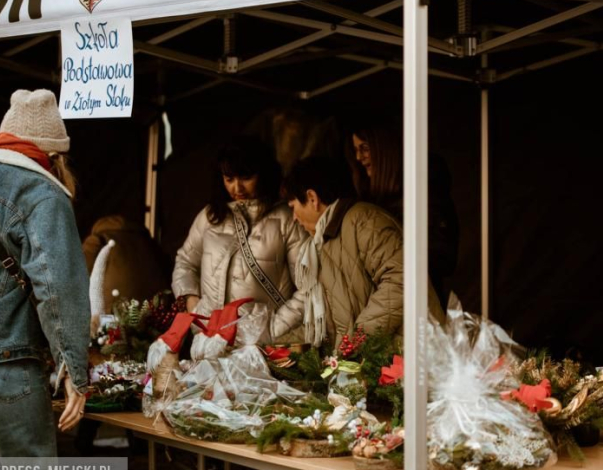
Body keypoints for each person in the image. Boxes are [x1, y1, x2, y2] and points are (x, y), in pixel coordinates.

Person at [0, 90, 90, 470]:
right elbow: (59, 291)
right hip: (6, 371)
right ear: (53, 156)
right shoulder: (42, 194)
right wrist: (74, 372)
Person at [272, 157, 443, 348]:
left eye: (293, 207)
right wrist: (271, 347)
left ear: (312, 198)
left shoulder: (365, 221)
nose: (294, 218)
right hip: (369, 361)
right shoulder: (324, 242)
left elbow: (402, 281)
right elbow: (326, 326)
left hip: (409, 359)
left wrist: (355, 342)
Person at [171, 137, 307, 341]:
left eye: (245, 177)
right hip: (209, 341)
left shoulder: (288, 220)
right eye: (229, 179)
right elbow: (185, 262)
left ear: (264, 174)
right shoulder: (210, 217)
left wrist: (272, 330)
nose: (237, 188)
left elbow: (308, 288)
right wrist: (193, 305)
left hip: (262, 348)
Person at [346, 120, 460, 305]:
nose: (359, 157)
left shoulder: (424, 191)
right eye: (356, 150)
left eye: (365, 148)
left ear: (384, 149)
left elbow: (442, 253)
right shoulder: (371, 199)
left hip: (417, 305)